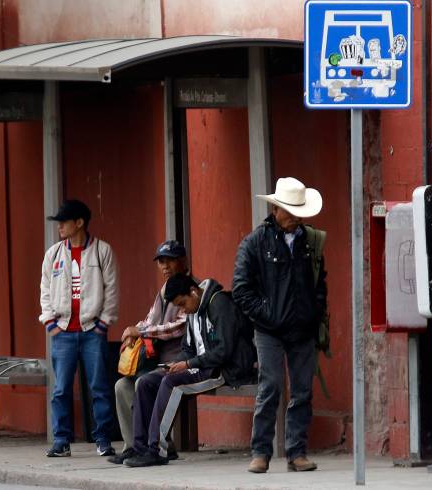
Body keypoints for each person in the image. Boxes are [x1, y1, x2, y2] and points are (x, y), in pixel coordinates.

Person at [232, 177, 328, 473]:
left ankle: (296, 452)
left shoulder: (310, 241)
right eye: (289, 211)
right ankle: (260, 452)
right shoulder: (254, 242)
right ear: (275, 210)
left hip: (303, 330)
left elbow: (319, 282)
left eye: (299, 211)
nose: (295, 217)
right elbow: (240, 289)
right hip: (269, 330)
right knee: (270, 387)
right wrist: (268, 314)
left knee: (302, 391)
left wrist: (315, 312)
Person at [125, 274, 256, 468]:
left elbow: (224, 351)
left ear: (194, 292)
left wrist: (187, 365)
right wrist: (176, 364)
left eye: (182, 303)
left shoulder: (219, 304)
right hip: (200, 365)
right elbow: (187, 348)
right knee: (146, 382)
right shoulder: (194, 309)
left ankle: (156, 450)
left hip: (223, 369)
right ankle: (139, 448)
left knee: (171, 383)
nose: (182, 309)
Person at [40, 199, 119, 457]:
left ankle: (103, 439)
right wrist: (50, 323)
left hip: (92, 332)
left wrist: (103, 323)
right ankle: (61, 441)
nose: (59, 227)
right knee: (60, 389)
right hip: (62, 332)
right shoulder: (53, 254)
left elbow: (112, 289)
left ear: (79, 223)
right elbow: (44, 289)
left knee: (99, 387)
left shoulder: (102, 251)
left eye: (64, 222)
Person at [108, 240, 191, 465]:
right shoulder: (164, 289)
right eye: (161, 262)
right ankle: (133, 446)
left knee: (142, 383)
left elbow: (180, 326)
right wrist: (133, 331)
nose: (165, 266)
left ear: (182, 261)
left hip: (179, 360)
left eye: (170, 261)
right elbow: (149, 319)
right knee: (121, 386)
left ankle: (154, 445)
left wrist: (142, 331)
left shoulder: (191, 286)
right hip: (157, 360)